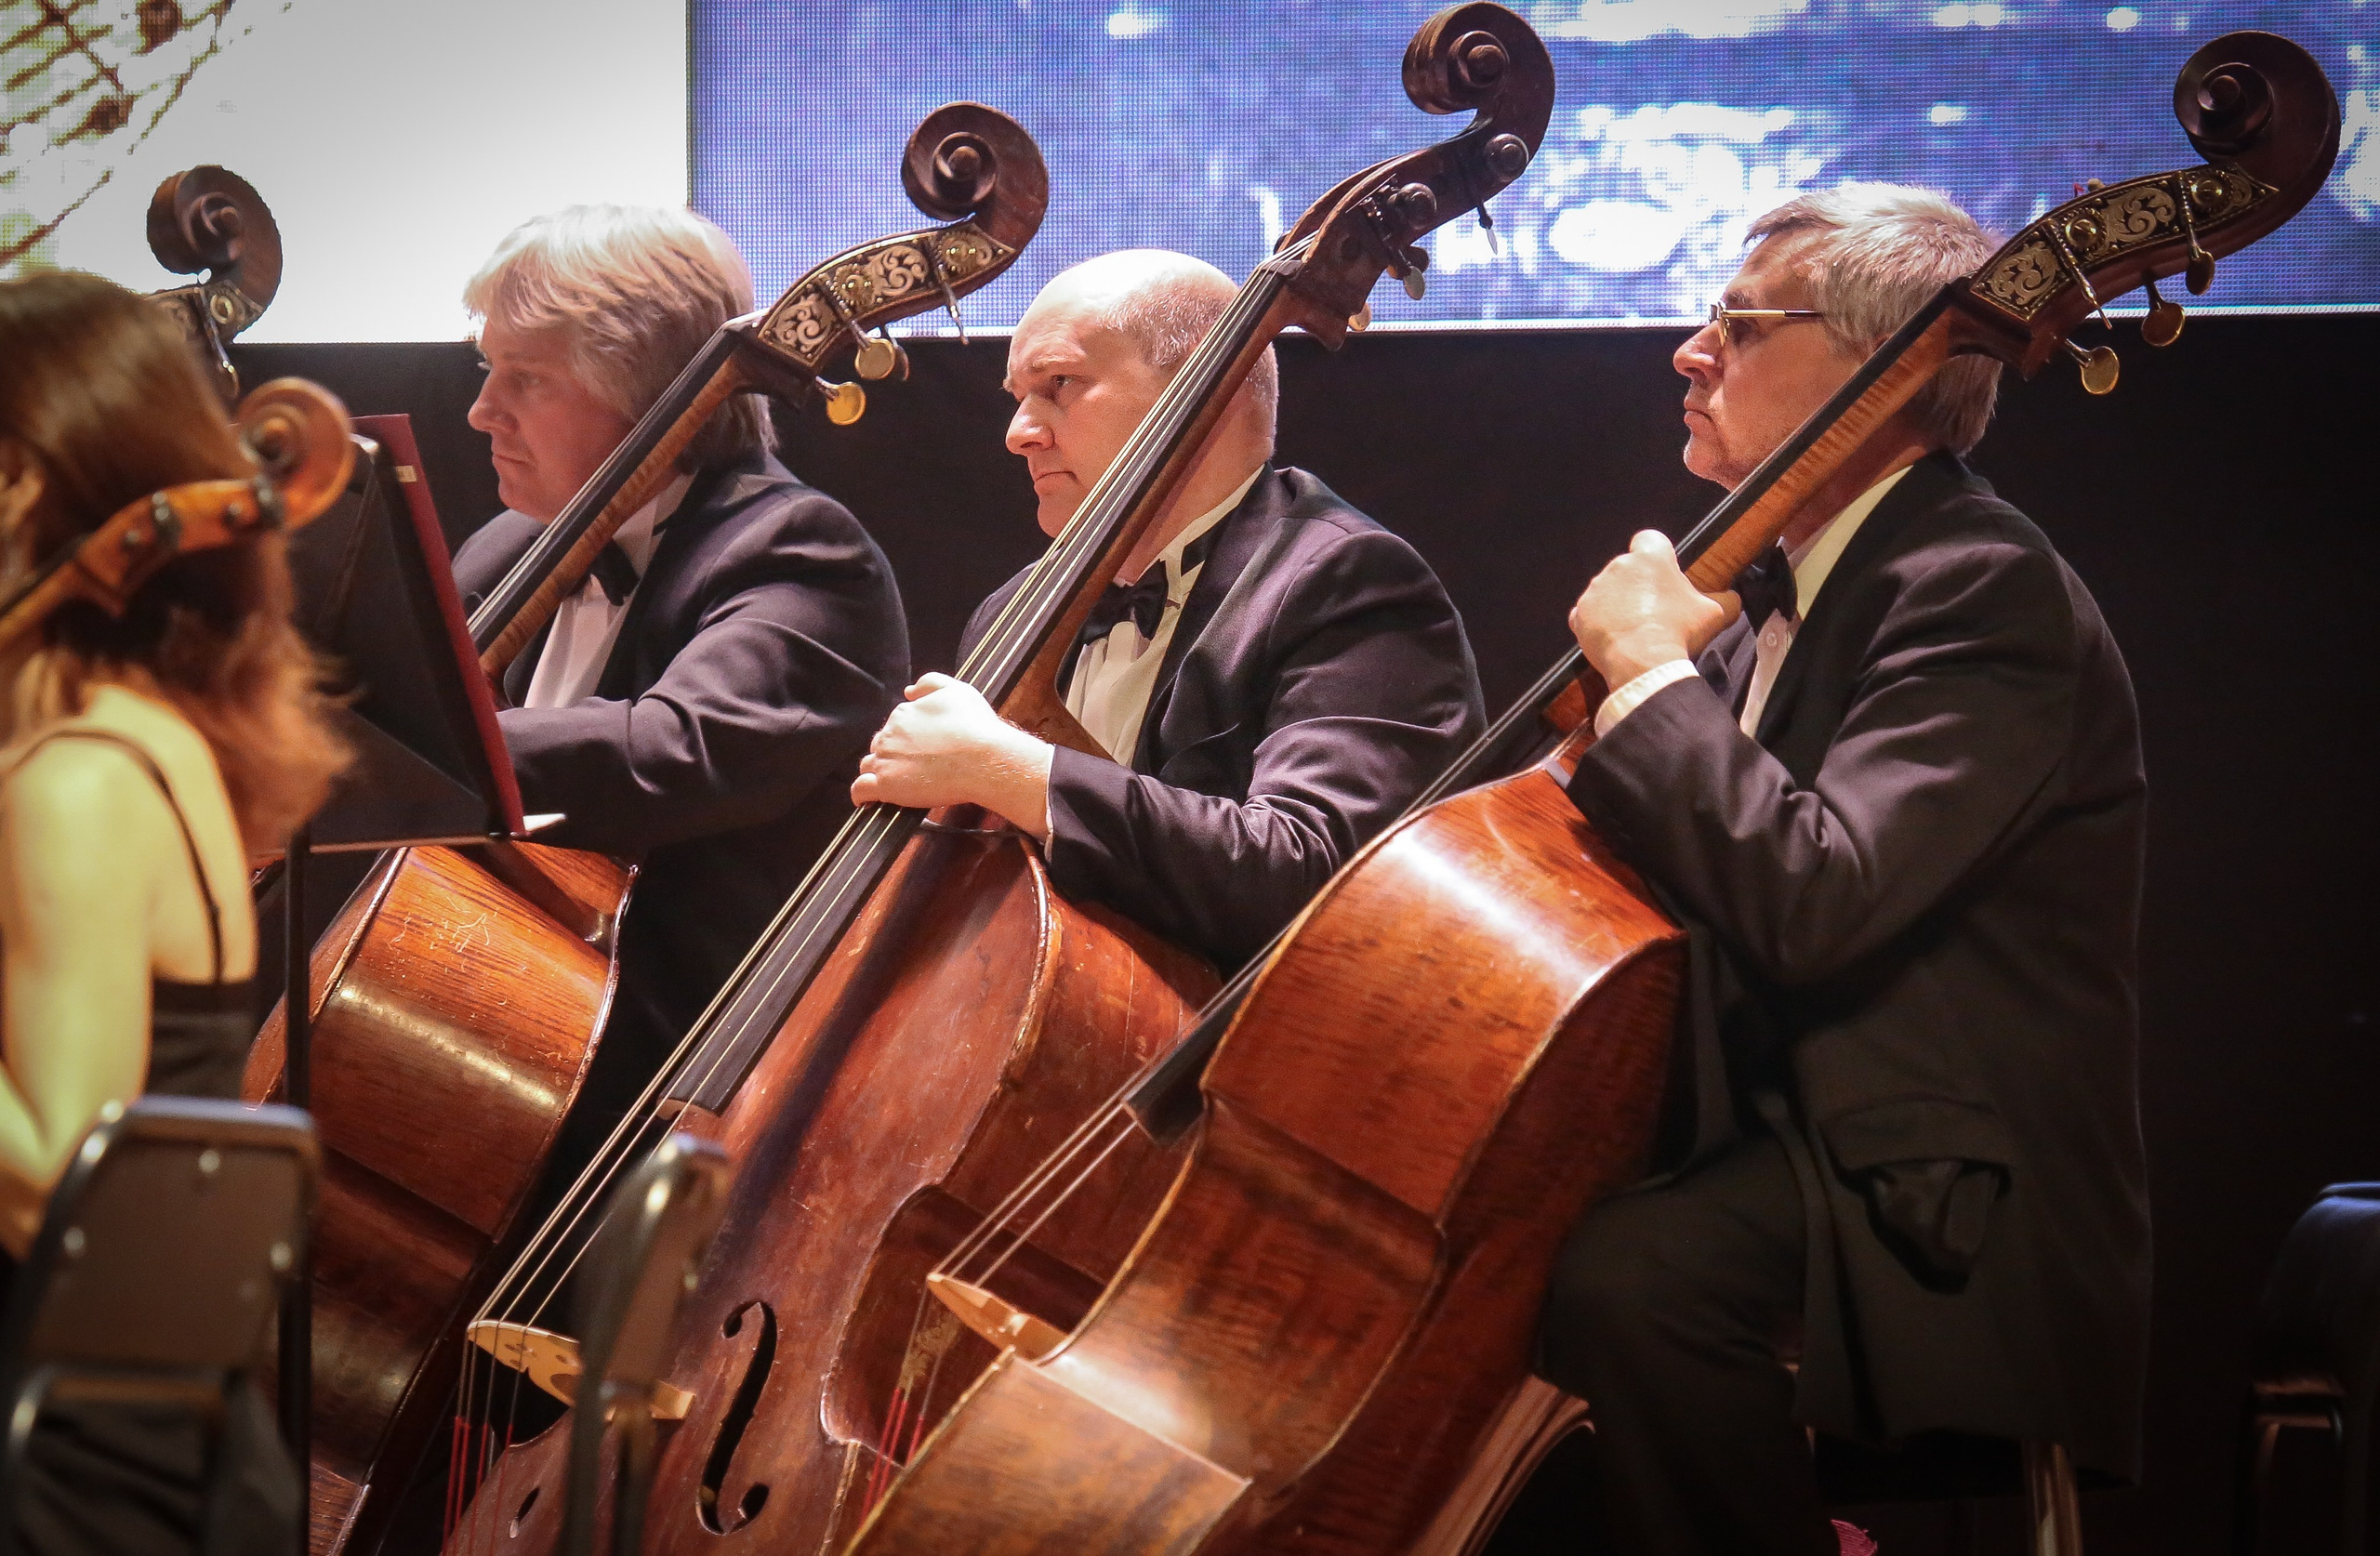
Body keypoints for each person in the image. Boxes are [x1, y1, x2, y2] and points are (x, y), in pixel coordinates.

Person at [1536, 184, 2151, 1555]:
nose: (1689, 351)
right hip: (1784, 1134)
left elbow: (1819, 898)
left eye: (1739, 326)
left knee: (1634, 1283)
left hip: (1935, 1183)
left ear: (1885, 366)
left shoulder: (1978, 584)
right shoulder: (1772, 612)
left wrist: (1644, 676)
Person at [851, 248, 1483, 968]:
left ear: (1201, 385)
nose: (1018, 432)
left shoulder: (1345, 580)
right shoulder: (1011, 613)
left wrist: (1016, 771)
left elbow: (1320, 878)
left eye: (1058, 383)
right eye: (1017, 397)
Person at [0, 270, 346, 1552]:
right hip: (156, 1460)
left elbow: (58, 1187)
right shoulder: (157, 748)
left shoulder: (78, 783)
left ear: (20, 483)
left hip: (68, 1490)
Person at [451, 205, 910, 1127]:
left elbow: (676, 748)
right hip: (490, 1045)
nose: (480, 412)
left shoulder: (796, 553)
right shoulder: (507, 550)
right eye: (484, 369)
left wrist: (426, 747)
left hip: (676, 1103)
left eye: (525, 379)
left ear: (646, 393)